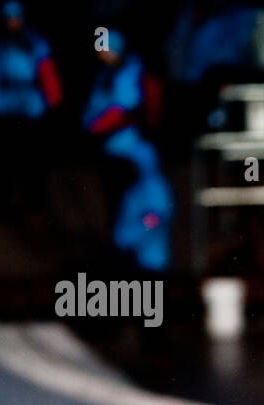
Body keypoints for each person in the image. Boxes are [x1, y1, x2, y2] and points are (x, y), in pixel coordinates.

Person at [82, 29, 172, 272]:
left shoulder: (144, 166)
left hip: (150, 255)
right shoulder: (104, 78)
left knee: (144, 225)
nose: (104, 56)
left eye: (107, 50)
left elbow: (157, 215)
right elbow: (90, 115)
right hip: (111, 154)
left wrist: (131, 237)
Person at [0, 1, 62, 218]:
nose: (14, 23)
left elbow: (48, 75)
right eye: (9, 19)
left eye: (17, 18)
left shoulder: (36, 43)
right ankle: (3, 203)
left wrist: (51, 104)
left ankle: (35, 202)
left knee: (34, 159)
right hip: (6, 109)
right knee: (6, 159)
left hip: (31, 108)